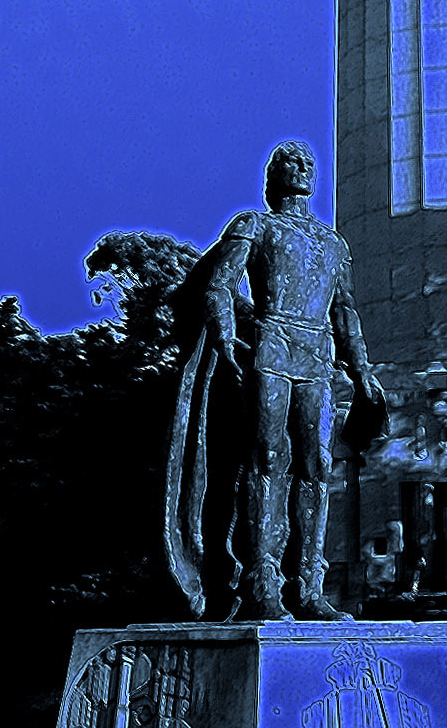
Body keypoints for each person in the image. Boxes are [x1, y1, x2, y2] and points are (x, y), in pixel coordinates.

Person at [165, 141, 386, 621]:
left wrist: (362, 369)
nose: (302, 167)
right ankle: (261, 582)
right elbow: (220, 283)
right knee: (265, 459)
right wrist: (225, 337)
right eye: (291, 161)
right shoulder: (255, 224)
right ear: (273, 175)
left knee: (318, 467)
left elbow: (345, 309)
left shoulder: (333, 243)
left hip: (317, 355)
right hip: (270, 346)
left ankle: (309, 587)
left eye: (308, 162)